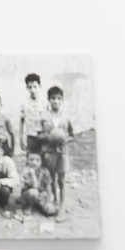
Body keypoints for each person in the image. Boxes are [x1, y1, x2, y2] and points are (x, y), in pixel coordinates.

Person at [39, 86, 75, 214]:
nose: (56, 101)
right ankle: (53, 200)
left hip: (62, 152)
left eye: (58, 98)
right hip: (49, 152)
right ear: (49, 100)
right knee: (52, 179)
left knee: (61, 180)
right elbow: (39, 134)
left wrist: (65, 139)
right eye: (53, 98)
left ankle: (62, 205)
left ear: (62, 100)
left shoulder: (65, 118)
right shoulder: (44, 117)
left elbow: (72, 135)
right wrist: (48, 137)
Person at [18, 151, 56, 217]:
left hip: (40, 194)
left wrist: (48, 202)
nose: (34, 163)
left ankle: (41, 205)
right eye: (31, 160)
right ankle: (28, 206)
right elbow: (34, 186)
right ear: (27, 160)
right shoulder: (26, 171)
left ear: (41, 162)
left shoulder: (44, 171)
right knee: (33, 192)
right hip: (29, 194)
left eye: (37, 160)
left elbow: (48, 186)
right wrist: (32, 174)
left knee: (50, 209)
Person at [19, 73, 46, 160]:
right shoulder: (25, 103)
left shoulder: (45, 103)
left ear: (39, 86)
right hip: (30, 136)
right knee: (31, 158)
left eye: (35, 87)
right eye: (30, 87)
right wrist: (21, 137)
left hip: (43, 135)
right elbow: (21, 121)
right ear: (26, 88)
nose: (32, 90)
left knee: (43, 158)